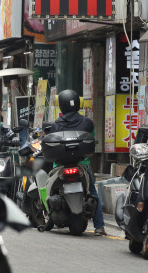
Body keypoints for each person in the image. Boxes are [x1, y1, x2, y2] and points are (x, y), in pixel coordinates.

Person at [50, 89, 107, 236]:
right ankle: (99, 227)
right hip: (83, 165)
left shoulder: (57, 124)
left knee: (51, 188)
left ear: (61, 105)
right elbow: (92, 138)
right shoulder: (87, 122)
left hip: (60, 166)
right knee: (93, 193)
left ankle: (48, 216)